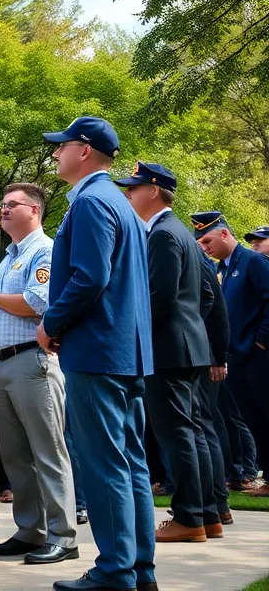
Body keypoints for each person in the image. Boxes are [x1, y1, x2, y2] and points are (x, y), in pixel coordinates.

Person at [38, 117, 155, 591]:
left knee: (105, 463)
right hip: (125, 352)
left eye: (61, 146)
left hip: (99, 352)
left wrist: (50, 323)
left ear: (83, 151)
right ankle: (137, 570)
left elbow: (89, 278)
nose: (55, 154)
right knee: (130, 463)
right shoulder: (121, 204)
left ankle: (115, 572)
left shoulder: (90, 201)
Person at [0, 181, 78, 564]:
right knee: (15, 455)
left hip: (32, 362)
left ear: (33, 210)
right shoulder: (8, 258)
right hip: (1, 364)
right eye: (1, 204)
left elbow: (40, 303)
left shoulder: (45, 251)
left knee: (48, 452)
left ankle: (63, 537)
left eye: (11, 204)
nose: (3, 210)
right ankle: (30, 531)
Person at [117, 162, 218, 542]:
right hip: (186, 347)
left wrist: (129, 333)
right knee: (188, 433)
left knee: (176, 435)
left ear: (154, 190)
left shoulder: (161, 234)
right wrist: (188, 327)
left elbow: (157, 298)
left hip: (167, 349)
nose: (128, 193)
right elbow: (204, 295)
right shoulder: (179, 234)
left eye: (134, 187)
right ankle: (208, 515)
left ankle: (189, 518)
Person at [192, 212, 269, 499]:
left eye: (208, 239)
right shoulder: (220, 268)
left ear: (224, 234)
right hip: (236, 357)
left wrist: (261, 341)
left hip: (258, 357)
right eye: (200, 241)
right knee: (254, 420)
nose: (204, 246)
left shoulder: (253, 261)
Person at [197, 255, 235, 527]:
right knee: (205, 427)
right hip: (202, 355)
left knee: (205, 427)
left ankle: (216, 503)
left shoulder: (199, 261)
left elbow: (216, 309)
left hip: (202, 357)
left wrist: (218, 357)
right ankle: (215, 504)